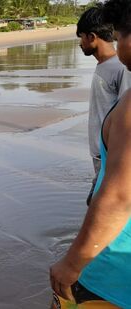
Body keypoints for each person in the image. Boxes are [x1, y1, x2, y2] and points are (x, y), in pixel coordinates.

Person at [50, 0, 131, 307]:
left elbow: (119, 197)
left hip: (113, 279)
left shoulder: (124, 88)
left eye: (122, 34)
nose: (118, 41)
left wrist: (71, 264)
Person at [76, 6, 131, 206]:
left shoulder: (120, 68)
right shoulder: (104, 66)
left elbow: (127, 119)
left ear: (92, 37)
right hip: (101, 155)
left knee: (102, 207)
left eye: (81, 38)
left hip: (111, 156)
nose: (80, 44)